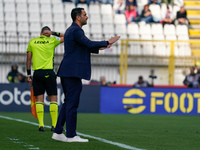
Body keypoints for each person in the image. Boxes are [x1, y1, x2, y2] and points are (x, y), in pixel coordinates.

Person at [52, 7, 120, 142]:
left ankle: (58, 132)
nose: (87, 17)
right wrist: (107, 42)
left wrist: (101, 47)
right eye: (85, 14)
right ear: (78, 17)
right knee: (72, 104)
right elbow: (87, 43)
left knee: (68, 102)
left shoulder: (71, 30)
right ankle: (71, 135)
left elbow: (84, 45)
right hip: (71, 72)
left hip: (68, 71)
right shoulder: (76, 30)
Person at [26, 26, 64, 132]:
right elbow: (67, 36)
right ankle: (54, 125)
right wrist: (53, 33)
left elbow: (28, 59)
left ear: (40, 33)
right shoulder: (52, 40)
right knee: (53, 99)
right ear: (48, 33)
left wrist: (29, 75)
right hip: (49, 72)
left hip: (37, 73)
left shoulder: (33, 41)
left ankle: (41, 125)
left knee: (39, 100)